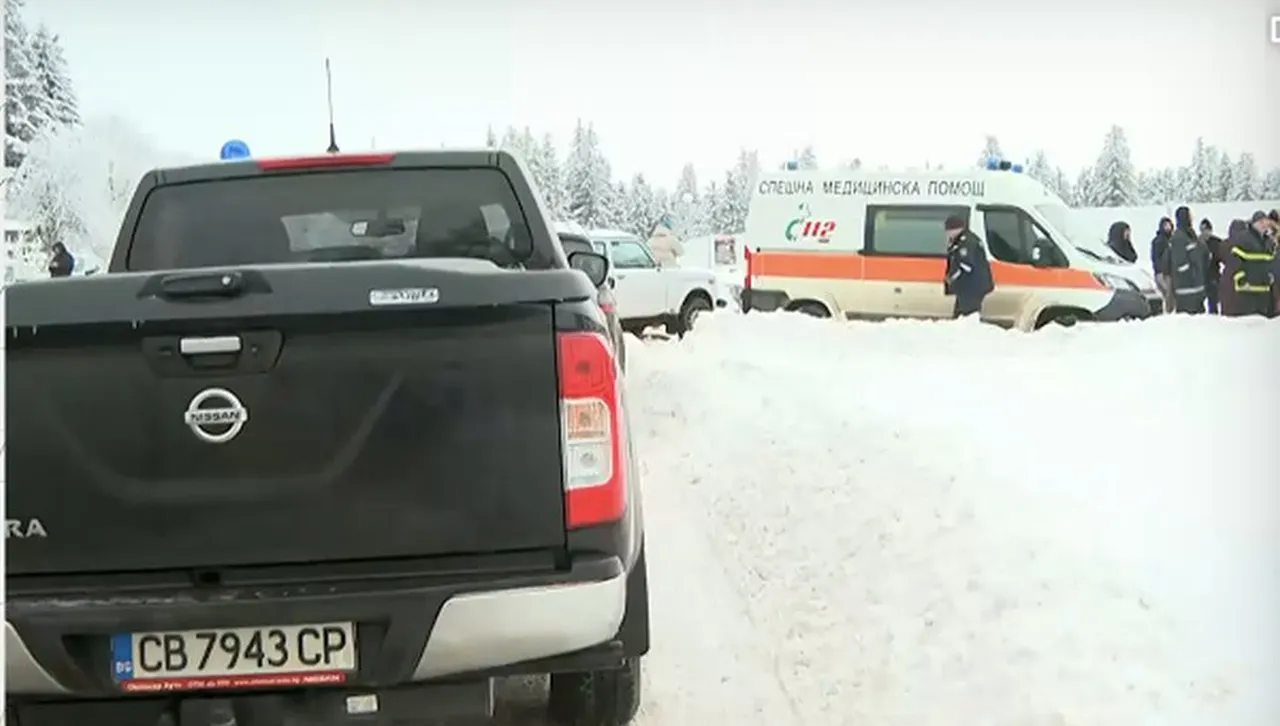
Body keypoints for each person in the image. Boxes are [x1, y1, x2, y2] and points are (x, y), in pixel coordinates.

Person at [1219, 213, 1275, 317]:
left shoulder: (1268, 242)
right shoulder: (1244, 239)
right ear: (1253, 224)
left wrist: (1271, 276)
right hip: (1247, 291)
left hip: (1264, 291)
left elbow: (1270, 263)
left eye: (1265, 221)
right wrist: (1242, 280)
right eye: (1260, 222)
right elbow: (1235, 262)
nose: (1264, 225)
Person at [1159, 206, 1209, 314]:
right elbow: (1180, 263)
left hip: (1196, 289)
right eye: (1190, 216)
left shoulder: (1190, 235)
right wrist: (1192, 274)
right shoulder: (1179, 238)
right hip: (1186, 290)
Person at [943, 214, 993, 318]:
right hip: (970, 287)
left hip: (971, 287)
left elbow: (966, 266)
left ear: (956, 229)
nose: (947, 234)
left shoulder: (966, 242)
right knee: (960, 317)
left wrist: (951, 278)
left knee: (966, 318)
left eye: (948, 231)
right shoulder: (963, 240)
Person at [1199, 219, 1224, 314]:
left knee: (1213, 299)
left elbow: (1222, 257)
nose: (1204, 233)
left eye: (1206, 230)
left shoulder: (1216, 242)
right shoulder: (1197, 242)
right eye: (1202, 230)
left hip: (1213, 274)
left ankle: (1213, 315)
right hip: (1201, 274)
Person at [1150, 217, 1174, 310]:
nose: (1168, 228)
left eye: (1169, 225)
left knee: (1170, 294)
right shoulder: (1158, 241)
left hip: (1170, 271)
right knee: (1168, 294)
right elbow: (1156, 257)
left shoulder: (1172, 239)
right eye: (1165, 226)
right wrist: (1161, 270)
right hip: (1162, 272)